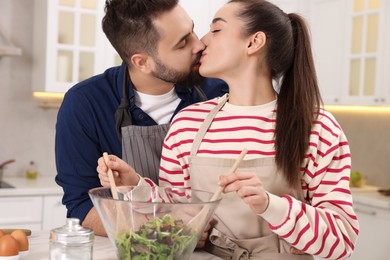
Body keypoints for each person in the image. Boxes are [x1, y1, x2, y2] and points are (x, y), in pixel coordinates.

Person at [98, 0, 359, 258]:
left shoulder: (317, 127)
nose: (202, 42)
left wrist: (270, 205)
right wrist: (135, 185)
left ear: (253, 42)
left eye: (216, 30)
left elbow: (342, 241)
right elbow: (177, 214)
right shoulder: (187, 123)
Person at [55, 0, 228, 237]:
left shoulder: (219, 93)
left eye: (192, 31)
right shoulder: (85, 103)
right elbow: (83, 207)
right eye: (182, 43)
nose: (200, 44)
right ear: (142, 62)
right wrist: (174, 232)